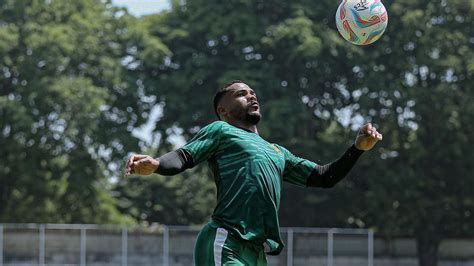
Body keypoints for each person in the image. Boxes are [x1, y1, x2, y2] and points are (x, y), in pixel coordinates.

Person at [125, 80, 383, 266]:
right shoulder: (221, 131)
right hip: (226, 241)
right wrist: (157, 164)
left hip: (256, 252)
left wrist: (357, 148)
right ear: (223, 111)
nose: (250, 96)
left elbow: (324, 177)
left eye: (252, 93)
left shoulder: (277, 151)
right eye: (241, 94)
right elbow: (183, 157)